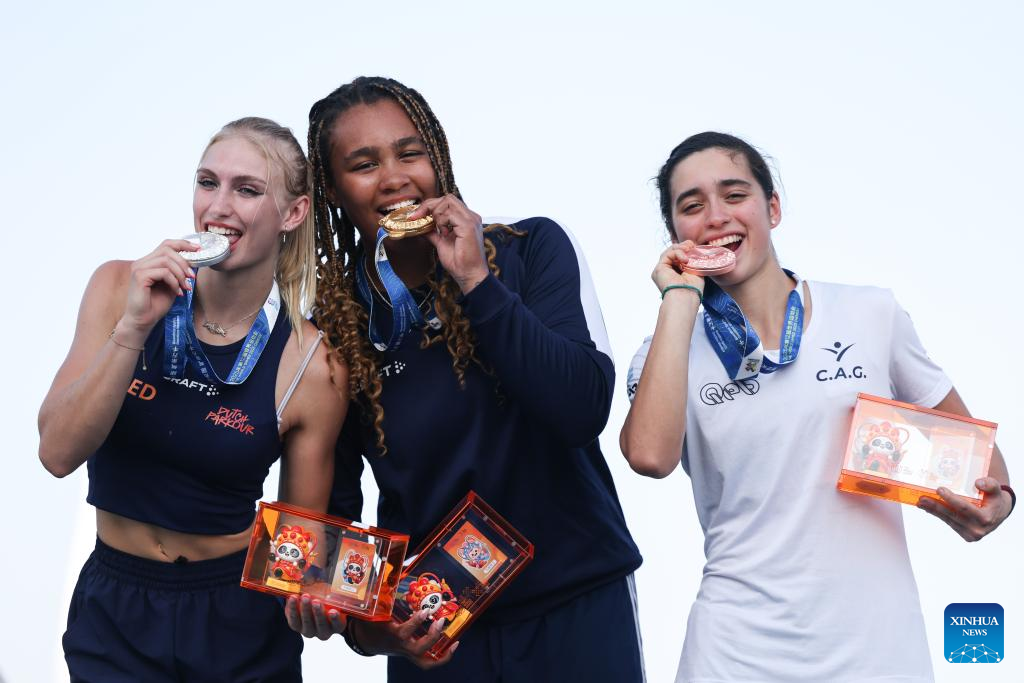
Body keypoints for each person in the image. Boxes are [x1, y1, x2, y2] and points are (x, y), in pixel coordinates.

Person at [620, 131, 1014, 682]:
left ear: (772, 208)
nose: (715, 216)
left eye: (734, 195)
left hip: (876, 651)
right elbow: (649, 457)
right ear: (675, 236)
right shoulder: (667, 348)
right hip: (734, 654)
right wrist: (680, 297)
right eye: (692, 206)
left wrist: (995, 504)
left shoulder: (869, 313)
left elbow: (984, 465)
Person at [287, 76, 644, 682]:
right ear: (333, 191)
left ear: (438, 158)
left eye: (409, 153)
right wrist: (373, 630)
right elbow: (337, 522)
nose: (394, 178)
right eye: (364, 165)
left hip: (577, 605)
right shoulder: (335, 327)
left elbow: (581, 410)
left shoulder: (529, 247)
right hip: (437, 635)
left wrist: (477, 281)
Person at [38, 117, 347, 682]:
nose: (218, 207)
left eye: (247, 190)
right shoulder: (119, 288)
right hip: (117, 609)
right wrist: (134, 328)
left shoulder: (312, 364)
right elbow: (57, 454)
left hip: (236, 618)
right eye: (208, 182)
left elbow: (298, 549)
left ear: (293, 213)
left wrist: (325, 601)